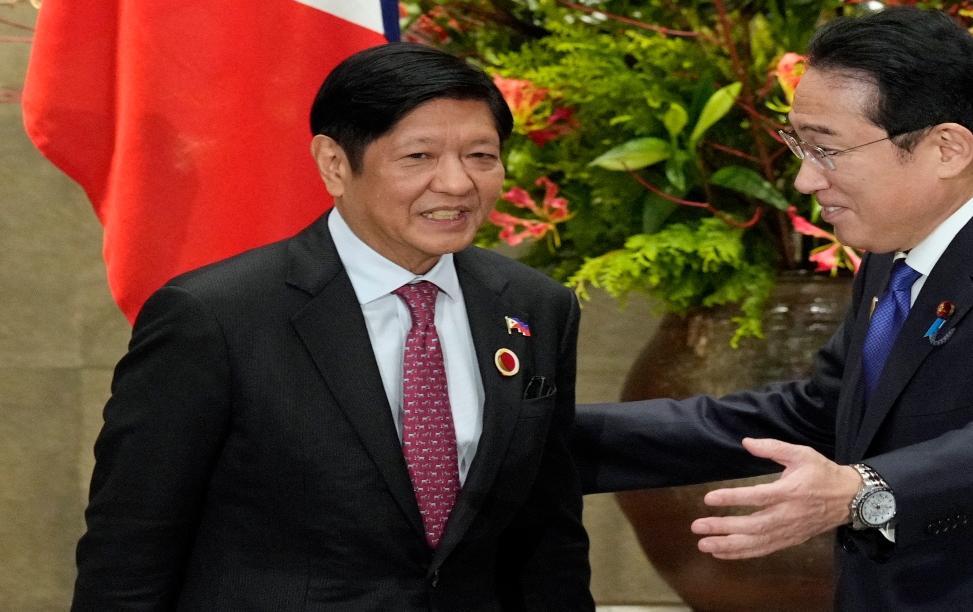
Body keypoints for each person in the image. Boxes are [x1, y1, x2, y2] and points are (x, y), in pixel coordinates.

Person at [571, 6, 973, 611]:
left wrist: (860, 490)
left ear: (947, 148)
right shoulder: (895, 258)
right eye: (799, 145)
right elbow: (822, 413)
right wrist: (536, 435)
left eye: (828, 149)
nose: (805, 181)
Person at [72, 43, 593, 611]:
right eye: (418, 156)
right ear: (334, 164)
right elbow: (130, 548)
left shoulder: (534, 307)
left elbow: (549, 537)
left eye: (480, 156)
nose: (457, 183)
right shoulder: (214, 316)